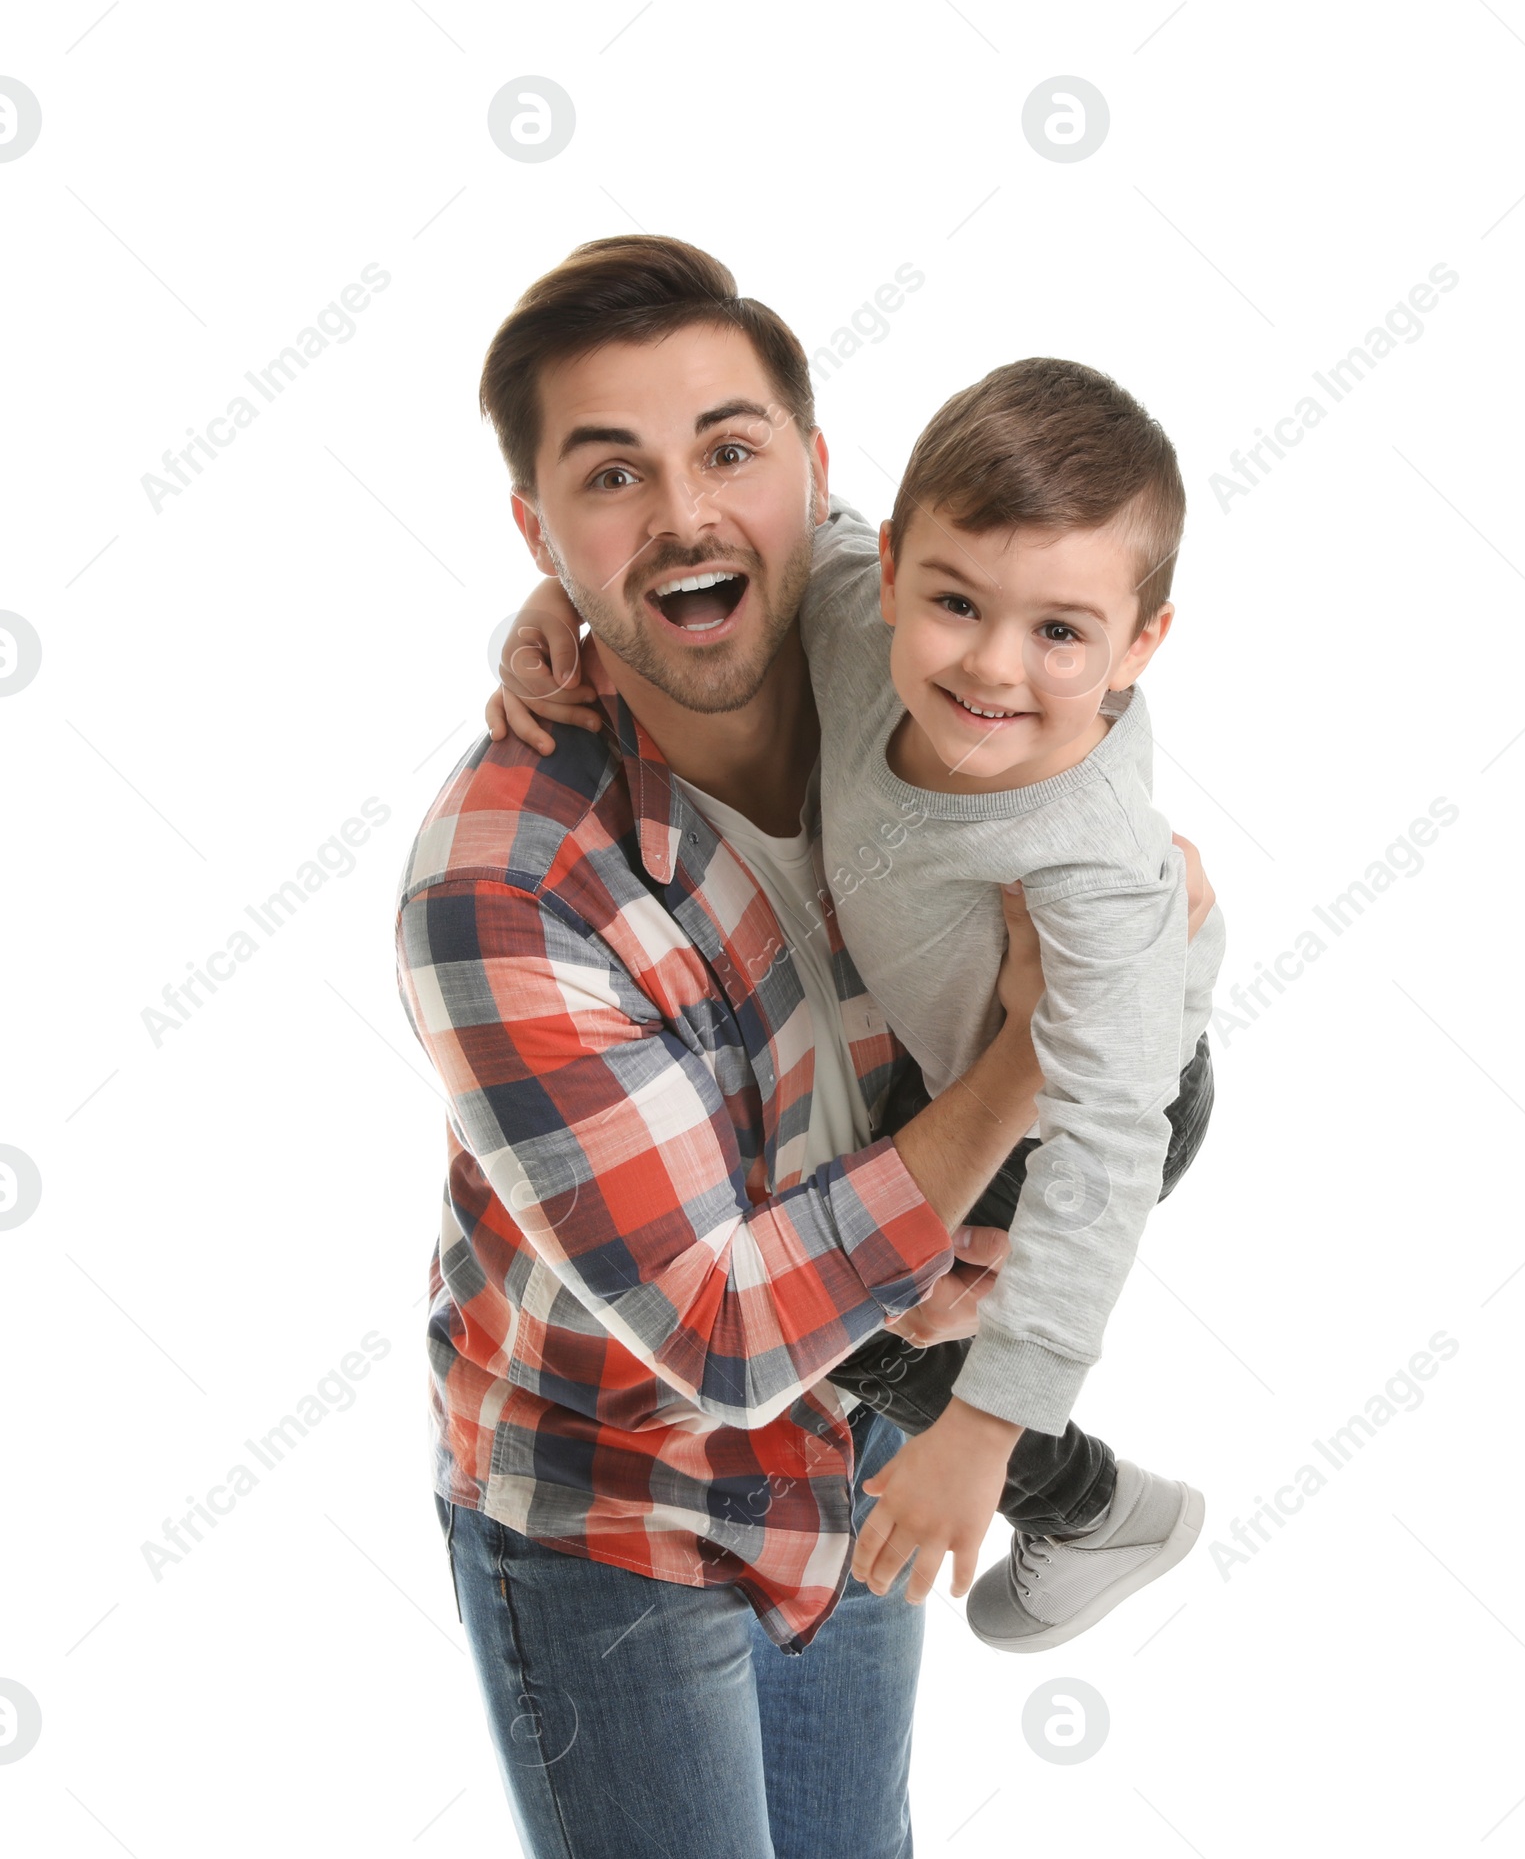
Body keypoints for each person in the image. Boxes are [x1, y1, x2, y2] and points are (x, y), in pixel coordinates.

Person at [397, 234, 1217, 1859]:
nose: (689, 512)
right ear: (537, 529)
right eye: (610, 475)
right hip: (614, 1503)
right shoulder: (500, 885)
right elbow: (715, 1335)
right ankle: (1075, 1480)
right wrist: (1018, 1073)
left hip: (853, 1451)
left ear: (823, 485)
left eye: (728, 450)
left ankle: (1076, 1482)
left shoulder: (903, 643)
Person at [492, 356, 1226, 1654]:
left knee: (820, 1321)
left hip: (1094, 1102)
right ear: (889, 569)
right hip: (948, 1060)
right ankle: (1087, 1495)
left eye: (1061, 631)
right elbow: (755, 541)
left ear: (1141, 644)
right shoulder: (849, 615)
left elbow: (1106, 1149)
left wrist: (985, 1430)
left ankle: (1084, 1504)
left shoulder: (1095, 873)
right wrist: (559, 598)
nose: (993, 667)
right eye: (954, 602)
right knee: (797, 1258)